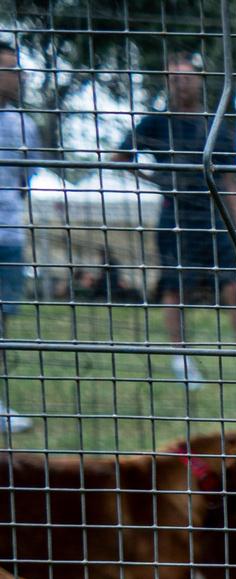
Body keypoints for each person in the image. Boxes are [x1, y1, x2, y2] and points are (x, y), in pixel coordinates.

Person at [112, 56, 236, 387]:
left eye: (186, 78)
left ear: (200, 80)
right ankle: (182, 359)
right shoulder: (155, 124)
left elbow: (231, 179)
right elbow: (119, 158)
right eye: (174, 79)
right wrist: (155, 178)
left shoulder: (216, 125)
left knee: (235, 285)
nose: (181, 84)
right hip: (175, 216)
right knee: (175, 288)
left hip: (215, 217)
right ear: (167, 83)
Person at [0, 42, 41, 431]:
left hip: (8, 234)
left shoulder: (24, 123)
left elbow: (25, 178)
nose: (18, 77)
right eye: (9, 69)